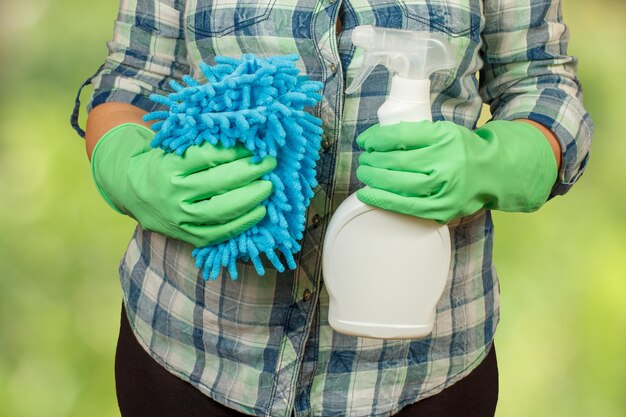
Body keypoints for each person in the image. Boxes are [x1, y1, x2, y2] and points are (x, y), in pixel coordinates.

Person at [71, 0, 593, 416]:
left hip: (424, 373)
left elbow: (542, 82)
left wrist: (497, 163)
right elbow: (128, 83)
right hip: (192, 353)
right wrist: (132, 170)